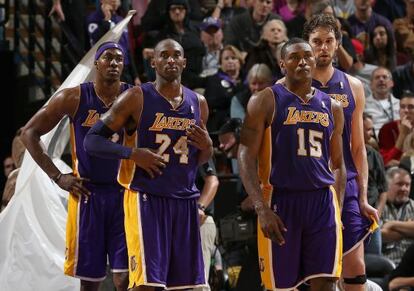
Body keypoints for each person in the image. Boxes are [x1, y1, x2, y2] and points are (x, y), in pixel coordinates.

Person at [84, 38, 213, 291]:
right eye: (163, 55)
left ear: (184, 62)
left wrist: (208, 146)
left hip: (185, 200)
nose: (171, 60)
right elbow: (92, 140)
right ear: (153, 62)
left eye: (176, 55)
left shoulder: (199, 103)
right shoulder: (136, 97)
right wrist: (132, 153)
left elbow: (200, 159)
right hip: (147, 198)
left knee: (184, 286)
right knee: (146, 284)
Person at [20, 42, 131, 291]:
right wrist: (58, 177)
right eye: (108, 57)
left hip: (124, 194)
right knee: (90, 282)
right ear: (97, 62)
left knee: (124, 278)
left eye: (119, 59)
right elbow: (28, 133)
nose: (114, 63)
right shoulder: (74, 97)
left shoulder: (134, 96)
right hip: (87, 194)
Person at [238, 37, 346, 291]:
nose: (303, 62)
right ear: (282, 63)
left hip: (322, 202)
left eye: (307, 56)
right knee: (282, 287)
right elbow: (245, 155)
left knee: (327, 282)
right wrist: (261, 208)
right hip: (281, 200)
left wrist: (337, 208)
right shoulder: (264, 100)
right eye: (295, 57)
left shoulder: (333, 106)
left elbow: (339, 164)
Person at [302, 14, 379, 291]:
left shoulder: (353, 86)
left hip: (344, 182)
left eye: (329, 41)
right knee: (314, 272)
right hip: (307, 186)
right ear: (307, 45)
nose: (323, 47)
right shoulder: (289, 86)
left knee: (356, 268)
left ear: (337, 45)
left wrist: (363, 195)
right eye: (316, 42)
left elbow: (358, 148)